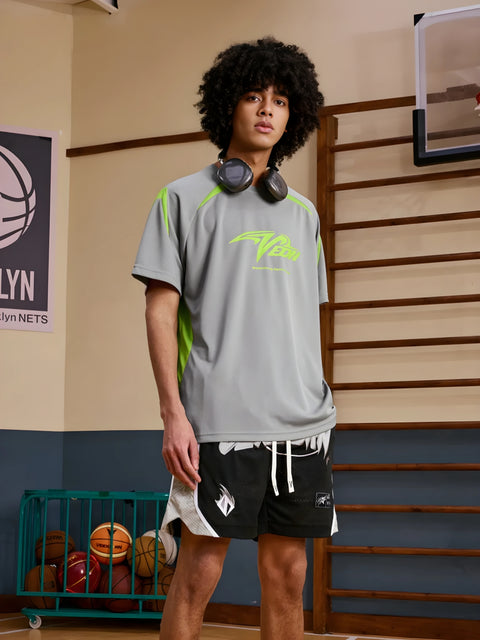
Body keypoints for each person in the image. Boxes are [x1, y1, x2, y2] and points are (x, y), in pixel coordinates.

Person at [132, 37, 337, 640]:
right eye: (254, 96)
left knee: (289, 574)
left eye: (280, 100)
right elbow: (159, 312)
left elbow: (302, 319)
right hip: (218, 421)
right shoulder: (181, 199)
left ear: (293, 116)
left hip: (300, 426)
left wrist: (318, 402)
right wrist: (173, 415)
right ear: (229, 105)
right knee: (199, 571)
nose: (267, 109)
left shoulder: (303, 215)